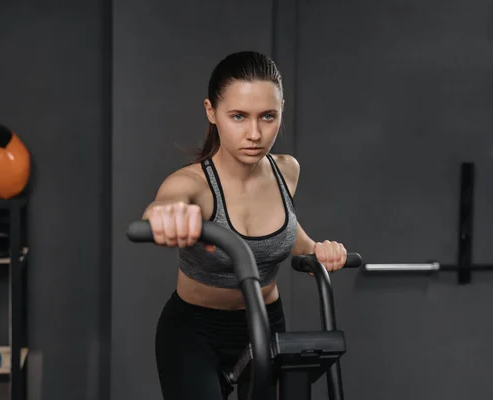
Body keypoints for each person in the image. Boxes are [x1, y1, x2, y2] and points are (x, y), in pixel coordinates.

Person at [142, 51, 348, 400]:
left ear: (282, 109)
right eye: (238, 116)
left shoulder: (287, 171)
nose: (254, 133)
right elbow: (164, 205)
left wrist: (316, 250)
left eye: (267, 116)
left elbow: (284, 231)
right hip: (195, 332)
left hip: (265, 325)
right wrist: (165, 216)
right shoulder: (194, 185)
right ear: (211, 112)